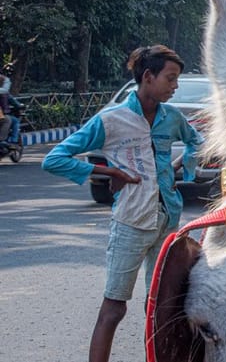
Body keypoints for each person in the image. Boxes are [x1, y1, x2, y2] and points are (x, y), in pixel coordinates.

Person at [43, 45, 201, 362]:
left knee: (163, 306)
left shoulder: (172, 117)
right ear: (148, 76)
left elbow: (195, 139)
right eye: (170, 78)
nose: (175, 86)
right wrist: (106, 170)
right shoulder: (111, 120)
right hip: (130, 223)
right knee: (114, 308)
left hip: (169, 221)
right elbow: (54, 159)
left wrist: (186, 165)